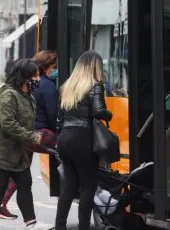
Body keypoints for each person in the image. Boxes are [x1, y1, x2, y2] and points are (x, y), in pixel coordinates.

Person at [0, 58, 43, 229]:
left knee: (25, 183)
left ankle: (30, 222)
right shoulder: (9, 95)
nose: (38, 79)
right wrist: (32, 136)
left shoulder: (29, 98)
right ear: (25, 77)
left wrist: (33, 136)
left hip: (16, 152)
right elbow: (8, 125)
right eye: (35, 76)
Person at [55, 50, 112, 230]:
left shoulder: (67, 87)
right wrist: (110, 114)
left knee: (69, 187)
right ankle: (84, 227)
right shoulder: (95, 86)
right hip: (83, 140)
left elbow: (59, 120)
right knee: (88, 187)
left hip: (64, 140)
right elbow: (99, 111)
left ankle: (60, 226)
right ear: (95, 66)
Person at [0, 50, 59, 220]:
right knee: (68, 148)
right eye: (54, 67)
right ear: (46, 67)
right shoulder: (47, 86)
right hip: (38, 133)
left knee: (20, 168)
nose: (54, 70)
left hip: (23, 133)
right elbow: (53, 115)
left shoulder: (25, 83)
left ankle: (0, 203)